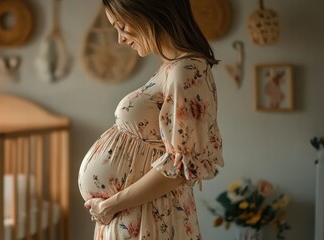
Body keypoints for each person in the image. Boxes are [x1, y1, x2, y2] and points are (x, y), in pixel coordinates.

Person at [78, 0, 225, 239]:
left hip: (151, 218)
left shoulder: (186, 70)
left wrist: (110, 205)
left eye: (122, 26)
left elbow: (180, 167)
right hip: (137, 215)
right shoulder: (171, 68)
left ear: (150, 13)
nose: (121, 39)